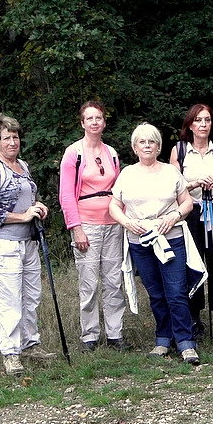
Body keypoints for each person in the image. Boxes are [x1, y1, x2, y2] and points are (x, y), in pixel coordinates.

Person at [109, 123, 200, 364]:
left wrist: (174, 216)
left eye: (152, 142)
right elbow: (114, 206)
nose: (147, 146)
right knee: (156, 294)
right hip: (140, 241)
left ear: (159, 146)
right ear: (134, 147)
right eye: (142, 142)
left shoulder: (171, 172)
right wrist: (128, 223)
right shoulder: (127, 174)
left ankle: (186, 342)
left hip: (171, 240)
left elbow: (187, 203)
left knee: (176, 292)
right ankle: (162, 339)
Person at [0, 115, 56, 376]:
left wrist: (38, 208)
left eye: (15, 137)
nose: (13, 142)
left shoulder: (22, 165)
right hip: (3, 243)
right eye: (6, 138)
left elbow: (27, 198)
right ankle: (10, 353)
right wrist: (22, 216)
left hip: (28, 242)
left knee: (31, 296)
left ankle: (30, 345)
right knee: (10, 299)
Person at [59, 101, 130, 353]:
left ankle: (115, 333)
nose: (94, 122)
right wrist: (75, 227)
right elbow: (66, 194)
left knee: (114, 280)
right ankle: (89, 335)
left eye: (98, 117)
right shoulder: (73, 153)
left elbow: (120, 189)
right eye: (89, 118)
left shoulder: (111, 152)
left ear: (104, 122)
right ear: (82, 123)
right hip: (86, 224)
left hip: (113, 223)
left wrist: (124, 219)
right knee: (89, 282)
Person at [169, 104, 213, 341]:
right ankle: (195, 319)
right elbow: (172, 187)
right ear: (190, 124)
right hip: (191, 213)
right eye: (198, 120)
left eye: (207, 120)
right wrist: (194, 183)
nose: (203, 125)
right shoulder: (179, 151)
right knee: (193, 265)